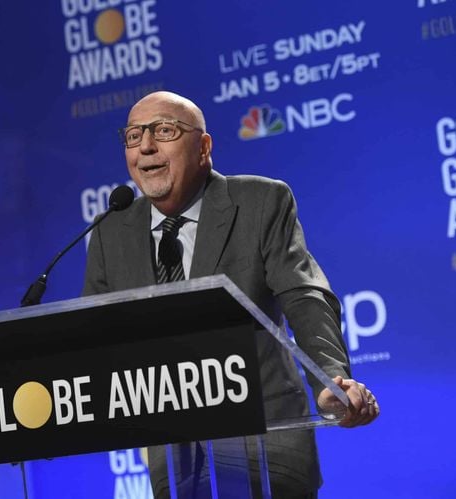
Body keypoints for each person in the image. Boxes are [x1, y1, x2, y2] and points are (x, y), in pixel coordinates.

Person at [82, 91, 379, 498]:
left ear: (204, 147)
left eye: (164, 130)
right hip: (174, 457)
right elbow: (94, 337)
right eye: (133, 136)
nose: (146, 146)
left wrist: (329, 379)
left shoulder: (259, 201)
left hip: (266, 442)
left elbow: (304, 294)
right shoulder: (110, 232)